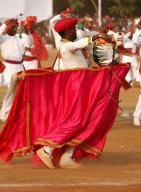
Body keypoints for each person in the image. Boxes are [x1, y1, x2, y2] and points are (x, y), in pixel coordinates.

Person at [36, 17, 109, 169]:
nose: (76, 31)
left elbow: (87, 57)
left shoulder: (73, 46)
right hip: (75, 88)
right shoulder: (66, 46)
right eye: (74, 30)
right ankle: (47, 149)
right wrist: (96, 36)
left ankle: (67, 156)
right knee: (76, 122)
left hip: (82, 86)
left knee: (87, 121)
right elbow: (78, 45)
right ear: (69, 32)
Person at [0, 18, 25, 122]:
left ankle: (5, 111)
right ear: (7, 28)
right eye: (13, 27)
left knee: (16, 92)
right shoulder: (3, 38)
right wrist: (4, 24)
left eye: (16, 27)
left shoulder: (18, 38)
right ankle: (4, 113)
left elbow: (28, 43)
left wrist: (23, 26)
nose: (15, 29)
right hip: (9, 67)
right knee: (10, 91)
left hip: (20, 67)